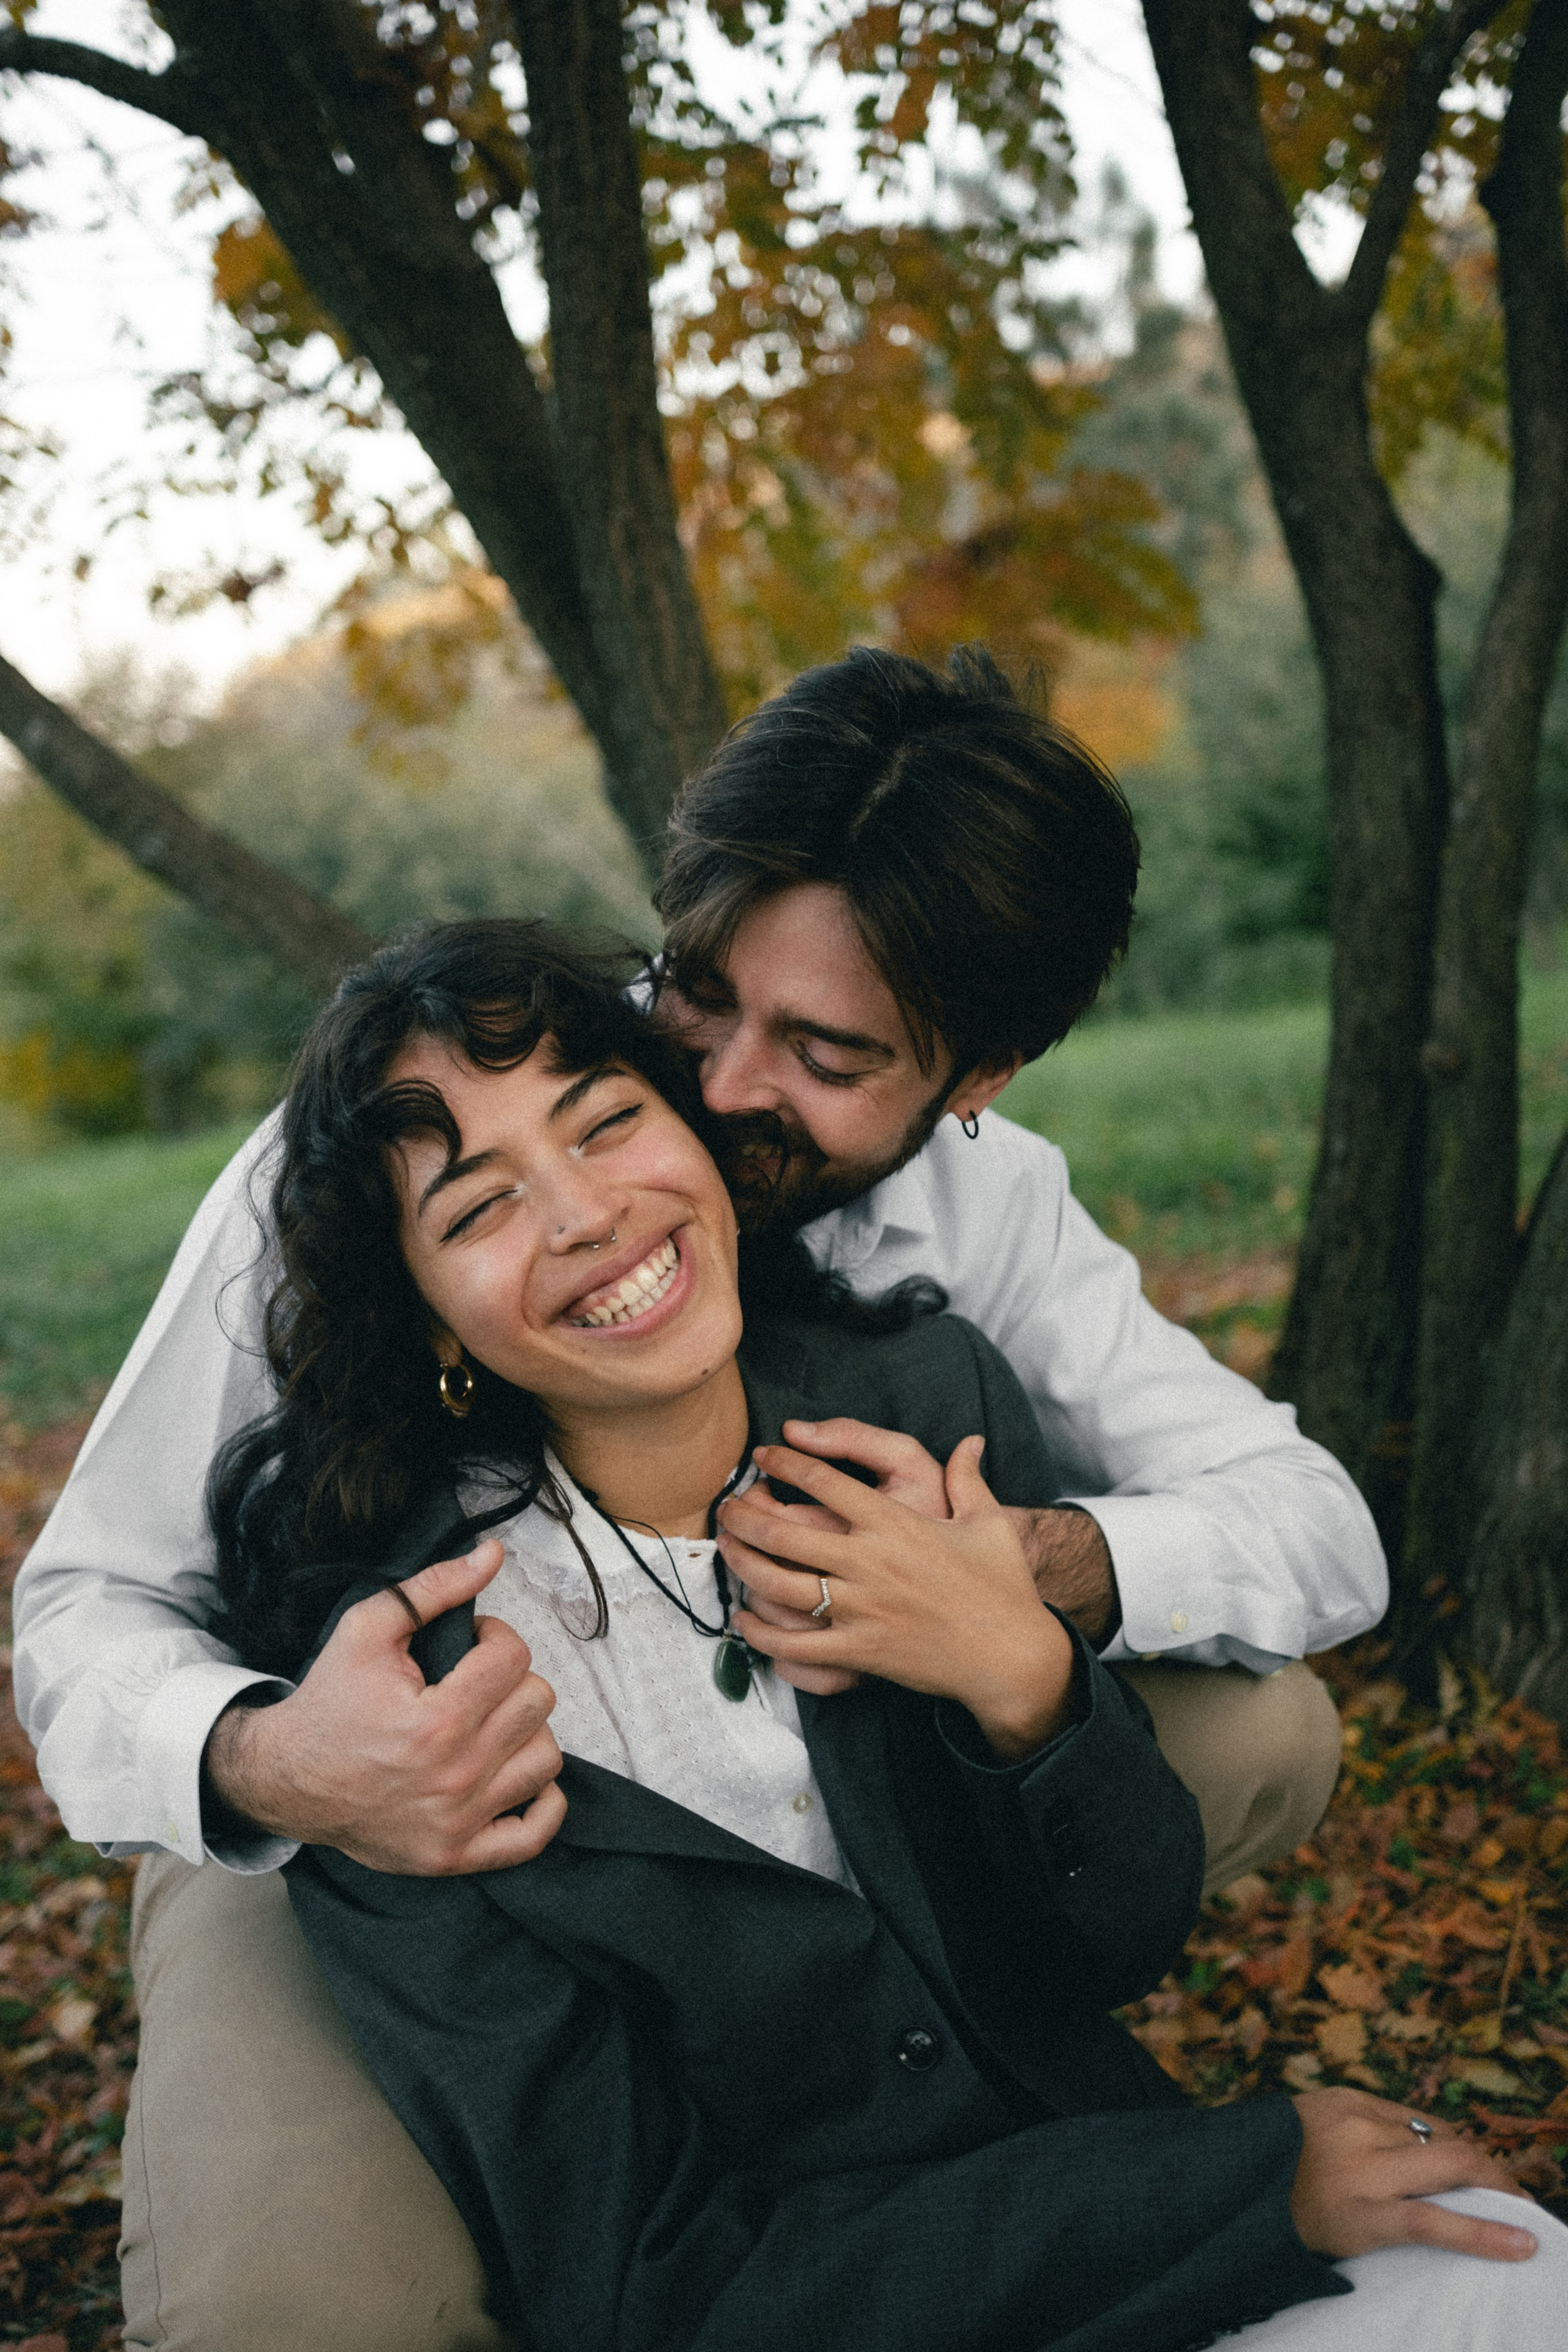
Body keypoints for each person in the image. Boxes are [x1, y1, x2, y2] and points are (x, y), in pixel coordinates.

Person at [12, 650, 1387, 2346]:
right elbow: (84, 1609)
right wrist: (292, 1764)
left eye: (825, 1051)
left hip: (840, 1737)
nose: (722, 1088)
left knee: (1265, 1729)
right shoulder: (385, 1159)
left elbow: (1316, 1522)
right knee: (293, 2307)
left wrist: (1025, 1578)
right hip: (351, 1780)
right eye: (702, 994)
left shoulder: (987, 1218)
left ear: (975, 1080)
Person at [211, 924, 1567, 2350]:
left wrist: (1023, 1676)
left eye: (608, 1123)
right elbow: (645, 2288)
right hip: (937, 2282)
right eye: (479, 1209)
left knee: (1516, 2278)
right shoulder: (394, 1716)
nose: (585, 1215)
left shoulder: (920, 1402)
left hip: (1121, 2240)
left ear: (701, 1144)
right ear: (428, 1323)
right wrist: (1228, 2192)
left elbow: (1116, 1940)